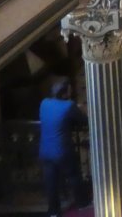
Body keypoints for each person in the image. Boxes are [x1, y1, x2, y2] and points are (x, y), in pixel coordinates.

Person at [39, 78, 85, 217]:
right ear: (65, 93)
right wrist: (80, 108)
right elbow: (83, 120)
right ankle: (82, 202)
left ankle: (54, 211)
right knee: (74, 175)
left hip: (45, 151)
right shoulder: (69, 106)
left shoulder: (44, 103)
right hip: (62, 151)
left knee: (51, 183)